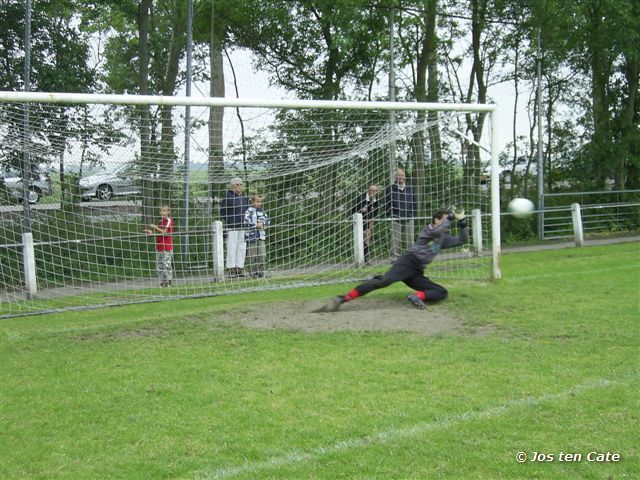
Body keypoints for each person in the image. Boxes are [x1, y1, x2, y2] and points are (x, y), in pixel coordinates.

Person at [322, 207, 468, 311]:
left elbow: (462, 240)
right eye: (444, 219)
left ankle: (417, 296)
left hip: (416, 271)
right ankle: (344, 298)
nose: (448, 222)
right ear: (437, 220)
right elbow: (438, 230)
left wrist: (463, 224)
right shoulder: (428, 230)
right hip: (407, 262)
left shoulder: (443, 238)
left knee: (442, 292)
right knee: (384, 281)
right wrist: (449, 218)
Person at [385, 168, 417, 262]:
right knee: (395, 239)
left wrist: (412, 214)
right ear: (396, 177)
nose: (401, 177)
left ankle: (410, 257)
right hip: (396, 217)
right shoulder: (390, 189)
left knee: (410, 238)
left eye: (402, 175)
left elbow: (414, 202)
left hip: (408, 217)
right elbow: (387, 204)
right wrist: (391, 215)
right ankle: (394, 257)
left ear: (405, 177)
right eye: (399, 175)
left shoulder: (410, 188)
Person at [220, 177, 250, 277]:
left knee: (242, 247)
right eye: (237, 184)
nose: (239, 186)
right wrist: (230, 221)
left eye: (241, 184)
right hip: (232, 227)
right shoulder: (228, 197)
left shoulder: (244, 198)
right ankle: (231, 269)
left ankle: (239, 268)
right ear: (232, 186)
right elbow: (223, 212)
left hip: (243, 226)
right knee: (231, 247)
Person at [144, 204, 174, 287]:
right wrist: (151, 233)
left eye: (164, 211)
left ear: (168, 211)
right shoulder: (160, 221)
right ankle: (163, 282)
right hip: (159, 247)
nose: (162, 212)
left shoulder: (168, 220)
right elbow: (159, 234)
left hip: (166, 247)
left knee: (166, 264)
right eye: (161, 211)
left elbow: (164, 232)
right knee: (159, 265)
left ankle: (169, 282)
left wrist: (155, 227)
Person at [352, 183, 381, 263]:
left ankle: (366, 257)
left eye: (375, 191)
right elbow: (355, 210)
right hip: (358, 220)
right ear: (368, 191)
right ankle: (358, 257)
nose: (374, 192)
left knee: (367, 237)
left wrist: (371, 220)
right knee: (360, 238)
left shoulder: (377, 199)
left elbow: (376, 211)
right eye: (372, 190)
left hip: (369, 220)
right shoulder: (361, 198)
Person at [244, 194, 270, 278]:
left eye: (260, 202)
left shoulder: (262, 211)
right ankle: (252, 273)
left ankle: (261, 271)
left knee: (262, 255)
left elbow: (267, 221)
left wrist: (263, 223)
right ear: (252, 202)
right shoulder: (248, 211)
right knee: (252, 256)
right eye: (257, 201)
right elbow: (246, 222)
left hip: (261, 236)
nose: (259, 203)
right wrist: (255, 225)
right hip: (251, 236)